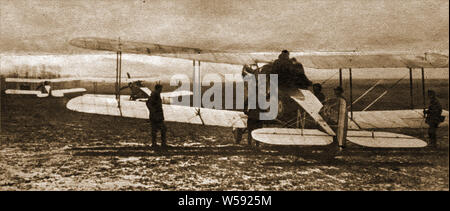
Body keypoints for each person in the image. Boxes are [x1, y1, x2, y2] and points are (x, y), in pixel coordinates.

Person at [319, 86, 348, 151]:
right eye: (335, 90)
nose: (335, 92)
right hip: (336, 117)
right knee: (334, 129)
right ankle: (336, 143)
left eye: (337, 90)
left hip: (339, 117)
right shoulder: (338, 99)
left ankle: (339, 144)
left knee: (338, 130)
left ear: (340, 91)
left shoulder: (341, 99)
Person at [146, 84, 167, 148]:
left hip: (156, 115)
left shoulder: (155, 94)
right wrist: (154, 112)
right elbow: (148, 104)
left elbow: (148, 104)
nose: (161, 90)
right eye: (160, 89)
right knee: (162, 129)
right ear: (158, 89)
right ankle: (161, 144)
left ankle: (155, 143)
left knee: (155, 130)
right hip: (156, 116)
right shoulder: (155, 95)